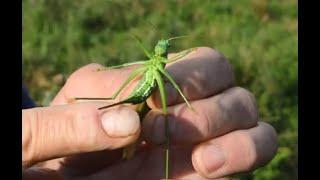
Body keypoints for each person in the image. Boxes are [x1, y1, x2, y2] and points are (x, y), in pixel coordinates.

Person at [22, 47, 277, 179]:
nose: (161, 51)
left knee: (167, 117)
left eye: (163, 51)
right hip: (141, 88)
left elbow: (174, 84)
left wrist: (51, 164)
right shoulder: (152, 60)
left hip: (150, 96)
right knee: (117, 100)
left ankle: (165, 167)